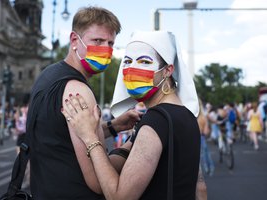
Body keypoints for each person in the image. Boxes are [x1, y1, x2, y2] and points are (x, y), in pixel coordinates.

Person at [62, 30, 201, 199]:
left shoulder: (156, 121)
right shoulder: (187, 115)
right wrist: (128, 140)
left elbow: (119, 197)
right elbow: (200, 188)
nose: (133, 68)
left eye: (144, 61)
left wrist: (90, 137)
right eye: (127, 61)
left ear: (167, 71)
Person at [27, 6, 141, 199]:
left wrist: (114, 126)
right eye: (97, 40)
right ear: (74, 40)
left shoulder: (49, 75)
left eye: (110, 43)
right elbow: (98, 181)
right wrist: (132, 145)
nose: (106, 49)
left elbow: (61, 136)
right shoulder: (78, 91)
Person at [197, 99, 214, 177]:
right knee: (205, 153)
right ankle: (209, 168)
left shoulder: (188, 116)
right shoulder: (203, 117)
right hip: (201, 137)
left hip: (192, 138)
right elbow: (206, 132)